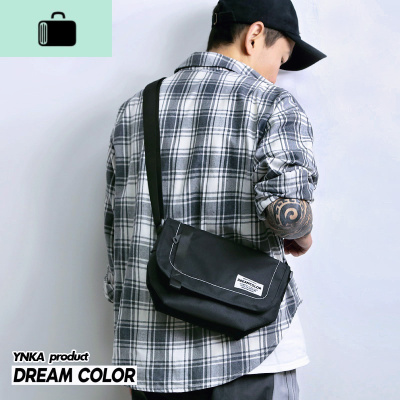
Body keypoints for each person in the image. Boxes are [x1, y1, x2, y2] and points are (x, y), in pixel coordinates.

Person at [103, 0, 326, 399]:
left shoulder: (135, 108)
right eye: (280, 60)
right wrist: (302, 236)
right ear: (254, 35)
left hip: (150, 362)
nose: (277, 75)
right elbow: (286, 212)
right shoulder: (272, 103)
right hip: (248, 353)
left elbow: (114, 227)